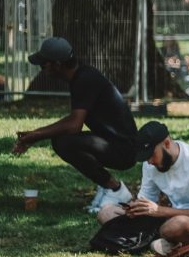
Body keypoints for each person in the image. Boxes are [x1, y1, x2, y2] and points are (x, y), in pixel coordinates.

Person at [12, 37, 137, 212]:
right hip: (115, 143)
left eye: (43, 64)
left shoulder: (84, 79)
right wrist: (36, 133)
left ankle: (115, 189)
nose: (42, 69)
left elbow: (74, 125)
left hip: (124, 149)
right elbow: (73, 120)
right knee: (63, 140)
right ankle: (107, 187)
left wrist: (36, 135)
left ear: (57, 64)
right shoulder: (81, 76)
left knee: (63, 142)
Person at [96, 120, 189, 256]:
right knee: (106, 212)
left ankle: (168, 241)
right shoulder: (150, 164)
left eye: (151, 155)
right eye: (146, 157)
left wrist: (159, 211)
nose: (149, 161)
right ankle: (167, 242)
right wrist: (135, 209)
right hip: (168, 218)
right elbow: (146, 200)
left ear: (166, 143)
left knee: (175, 226)